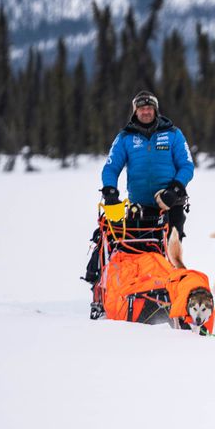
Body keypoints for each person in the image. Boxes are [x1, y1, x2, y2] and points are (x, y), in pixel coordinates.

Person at [83, 91, 194, 286]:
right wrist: (109, 191)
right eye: (142, 108)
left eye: (149, 108)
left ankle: (173, 291)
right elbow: (111, 167)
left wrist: (175, 189)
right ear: (135, 111)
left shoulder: (173, 134)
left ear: (155, 110)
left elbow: (187, 166)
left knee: (172, 252)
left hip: (170, 204)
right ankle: (142, 292)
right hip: (140, 207)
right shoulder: (125, 137)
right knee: (140, 252)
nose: (146, 112)